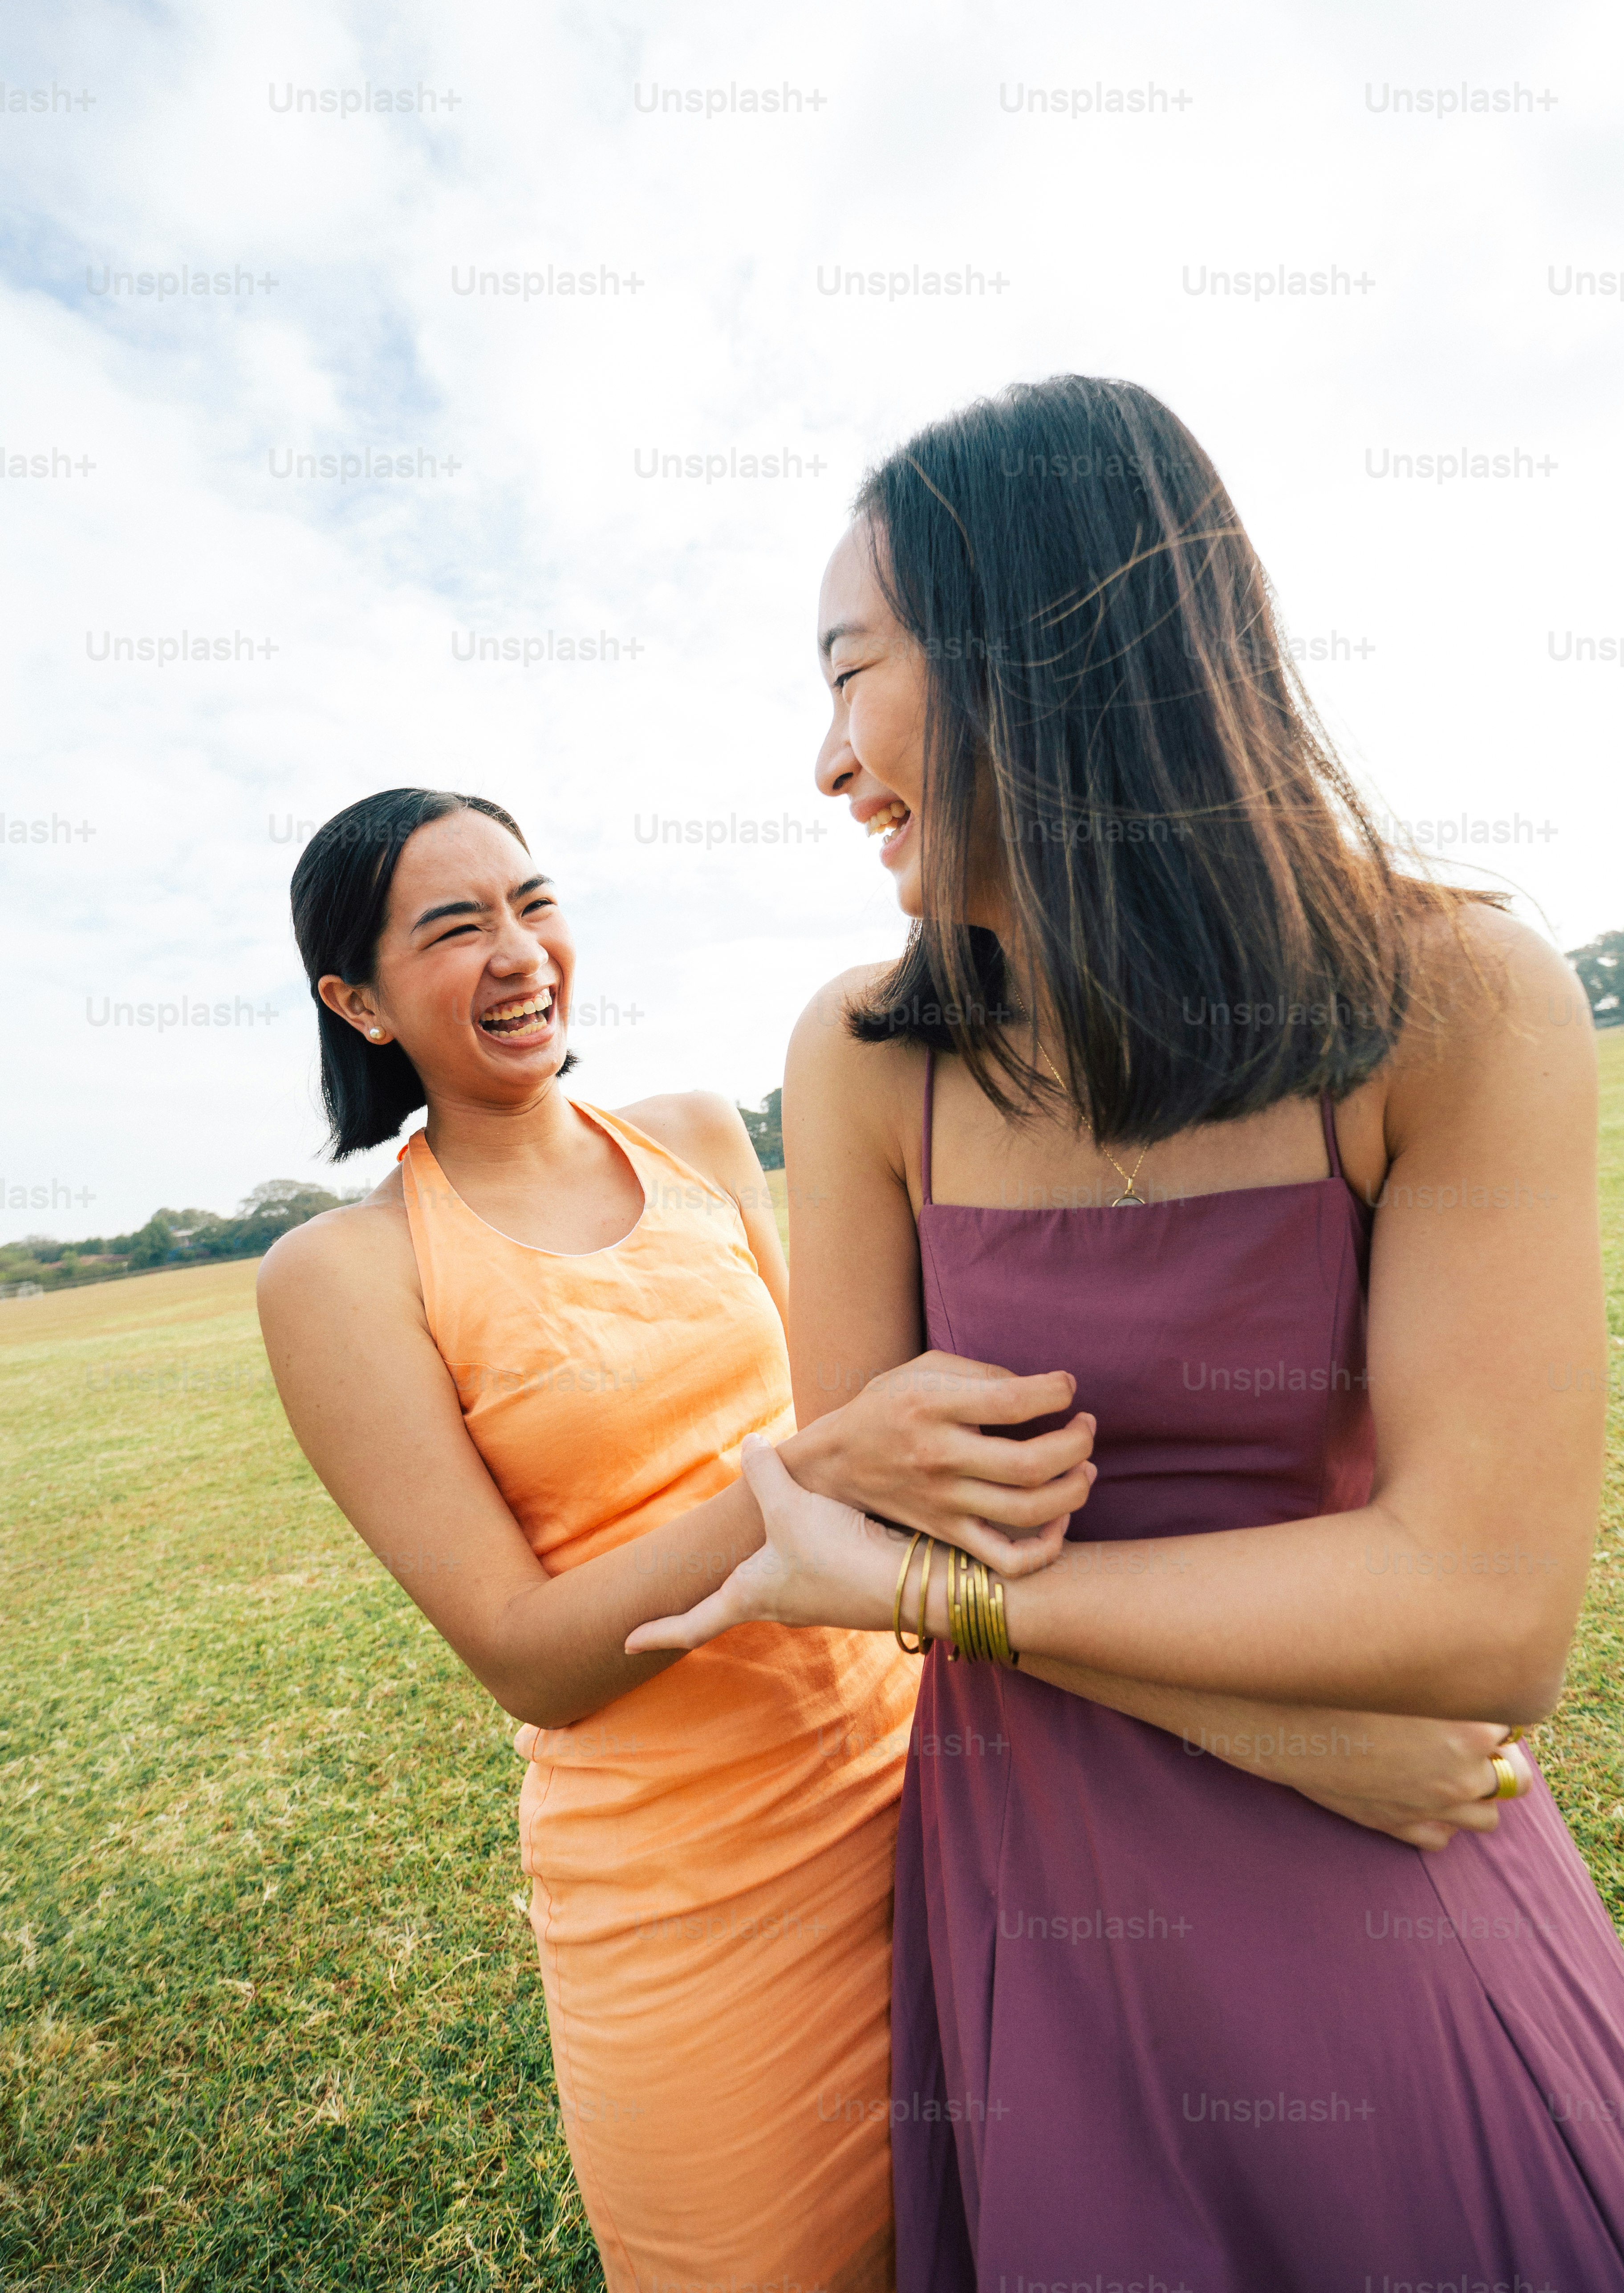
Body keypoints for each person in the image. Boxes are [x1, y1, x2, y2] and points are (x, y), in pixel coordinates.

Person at [629, 375, 1624, 2290]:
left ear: (1048, 650)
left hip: (1381, 1884)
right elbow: (874, 1534)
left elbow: (1488, 1613)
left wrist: (958, 1600)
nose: (828, 762)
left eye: (853, 672)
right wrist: (1284, 1726)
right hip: (1058, 1873)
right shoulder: (858, 1063)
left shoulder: (1462, 1001)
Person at [256, 784, 1109, 2293]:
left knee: (1016, 2236)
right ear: (357, 1000)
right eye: (456, 927)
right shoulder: (341, 1274)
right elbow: (531, 1659)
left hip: (930, 1795)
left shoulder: (705, 1135)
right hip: (682, 1894)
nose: (521, 953)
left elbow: (863, 1435)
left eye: (535, 902)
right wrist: (809, 1465)